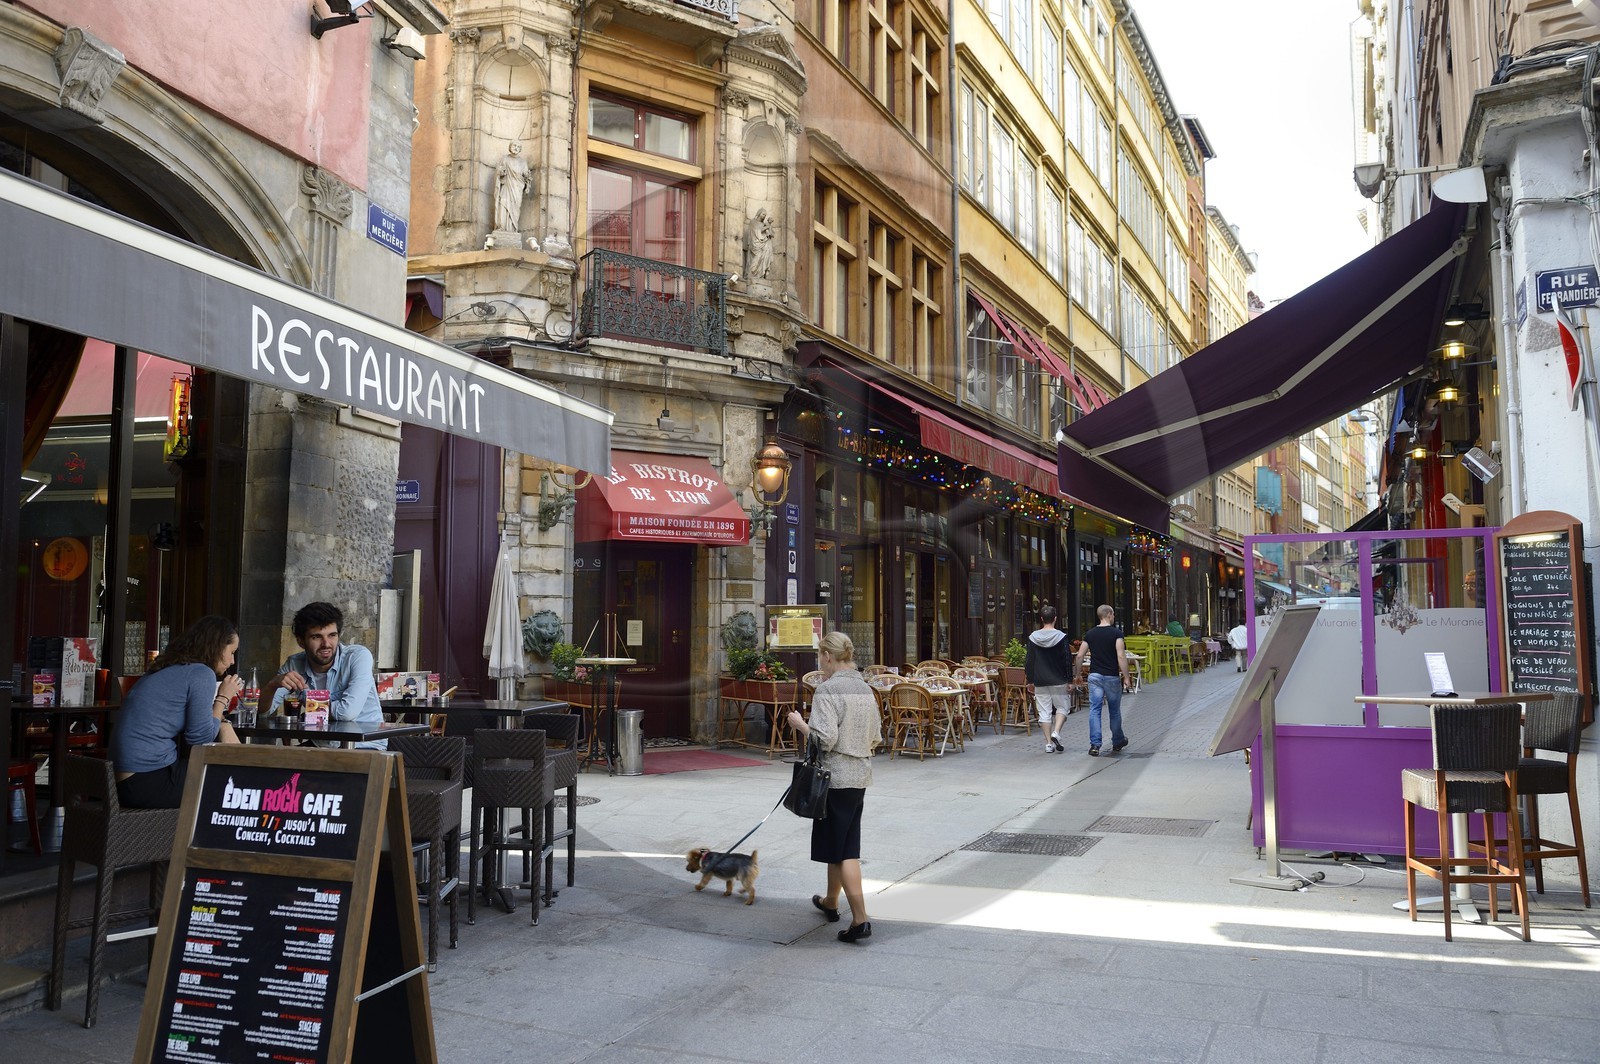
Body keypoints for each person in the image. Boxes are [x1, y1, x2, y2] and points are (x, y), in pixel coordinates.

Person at [786, 631, 881, 944]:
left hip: (835, 778)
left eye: (820, 657)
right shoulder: (865, 688)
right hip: (860, 776)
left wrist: (800, 724)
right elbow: (877, 735)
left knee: (845, 852)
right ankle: (830, 901)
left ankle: (861, 919)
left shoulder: (827, 690)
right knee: (840, 842)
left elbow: (824, 738)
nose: (820, 663)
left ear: (828, 656)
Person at [109, 615, 242, 808]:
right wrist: (223, 698)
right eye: (232, 652)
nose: (232, 661)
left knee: (224, 761)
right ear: (217, 647)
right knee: (230, 779)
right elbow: (200, 739)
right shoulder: (201, 674)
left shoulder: (168, 668)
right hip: (146, 782)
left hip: (119, 782)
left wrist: (220, 721)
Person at [261, 601, 386, 749]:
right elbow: (263, 712)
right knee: (274, 765)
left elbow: (347, 713)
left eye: (332, 635)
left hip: (365, 746)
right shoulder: (295, 664)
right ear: (301, 641)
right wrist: (272, 686)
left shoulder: (358, 657)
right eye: (316, 637)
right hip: (322, 745)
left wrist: (310, 710)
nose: (326, 644)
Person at [1074, 604, 1129, 757]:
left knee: (1095, 710)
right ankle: (1117, 740)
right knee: (1114, 711)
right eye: (1113, 614)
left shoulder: (1090, 634)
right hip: (1111, 676)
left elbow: (1079, 656)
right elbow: (1121, 656)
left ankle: (1095, 745)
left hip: (1095, 676)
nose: (1114, 617)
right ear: (1109, 614)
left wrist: (1077, 674)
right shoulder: (1117, 633)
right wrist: (1127, 676)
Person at [1024, 605, 1075, 753]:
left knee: (1044, 711)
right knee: (1062, 707)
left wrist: (1030, 680)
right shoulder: (1062, 637)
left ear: (1041, 619)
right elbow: (1067, 659)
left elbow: (1029, 661)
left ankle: (1048, 744)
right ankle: (1056, 733)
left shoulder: (1033, 638)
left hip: (1040, 680)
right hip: (1059, 679)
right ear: (1055, 619)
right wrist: (1070, 680)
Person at [494, 141, 530, 234]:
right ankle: (502, 227)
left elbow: (527, 176)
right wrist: (501, 172)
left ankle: (512, 228)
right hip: (507, 186)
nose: (516, 148)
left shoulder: (523, 162)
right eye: (514, 145)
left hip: (517, 188)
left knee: (515, 208)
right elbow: (499, 172)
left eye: (518, 146)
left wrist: (527, 182)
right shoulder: (505, 159)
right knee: (503, 204)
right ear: (510, 147)